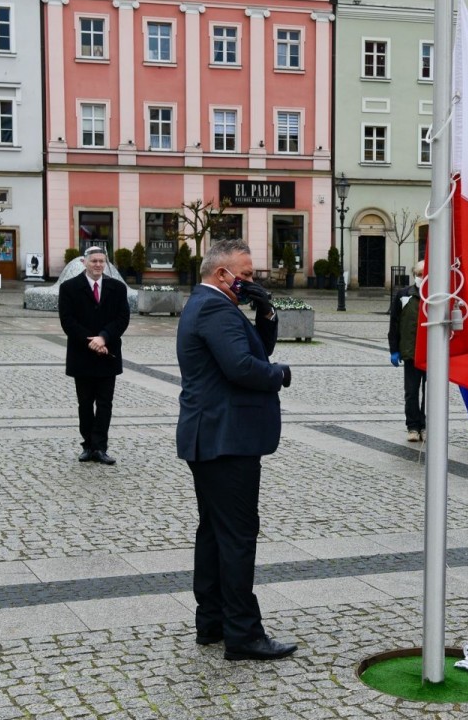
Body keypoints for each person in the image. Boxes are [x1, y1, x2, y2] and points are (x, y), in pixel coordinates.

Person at [176, 238, 297, 662]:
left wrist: (265, 312)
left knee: (213, 532)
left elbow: (255, 348)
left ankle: (212, 621)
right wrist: (279, 374)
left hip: (212, 437)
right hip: (225, 439)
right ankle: (243, 634)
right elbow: (245, 367)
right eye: (245, 276)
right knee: (237, 537)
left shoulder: (212, 306)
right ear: (221, 274)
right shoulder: (213, 307)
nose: (250, 282)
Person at [59, 246, 129, 465]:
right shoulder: (69, 287)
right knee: (85, 403)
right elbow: (68, 321)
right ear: (84, 263)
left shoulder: (117, 288)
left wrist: (104, 337)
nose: (98, 265)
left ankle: (100, 447)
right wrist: (92, 342)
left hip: (108, 354)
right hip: (82, 355)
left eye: (101, 261)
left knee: (105, 404)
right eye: (94, 261)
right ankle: (87, 445)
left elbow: (122, 318)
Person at [388, 261, 426, 442]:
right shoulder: (404, 295)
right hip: (410, 352)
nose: (422, 277)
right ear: (414, 275)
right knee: (411, 391)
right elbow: (394, 323)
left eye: (425, 274)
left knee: (430, 393)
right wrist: (394, 350)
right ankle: (412, 426)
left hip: (430, 355)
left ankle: (425, 425)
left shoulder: (436, 295)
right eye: (419, 274)